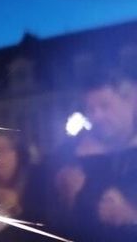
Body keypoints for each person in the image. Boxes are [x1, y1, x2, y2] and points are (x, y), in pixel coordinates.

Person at [53, 71, 137, 241]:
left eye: (105, 106)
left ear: (132, 101)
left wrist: (131, 216)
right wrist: (65, 198)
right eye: (90, 109)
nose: (96, 116)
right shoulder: (72, 155)